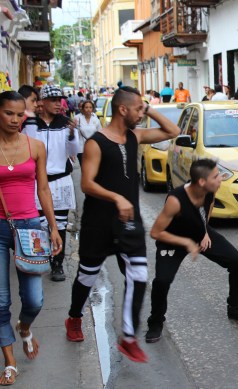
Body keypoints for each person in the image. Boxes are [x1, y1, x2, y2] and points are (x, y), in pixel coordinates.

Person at [64, 86, 180, 363]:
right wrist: (116, 197)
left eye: (143, 109)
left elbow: (172, 131)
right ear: (122, 110)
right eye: (138, 109)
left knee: (138, 275)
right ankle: (74, 317)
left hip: (129, 223)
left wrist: (149, 108)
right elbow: (87, 183)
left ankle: (128, 337)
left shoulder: (134, 136)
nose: (142, 114)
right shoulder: (96, 142)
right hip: (98, 223)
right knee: (87, 276)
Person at [145, 159, 238, 343]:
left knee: (236, 262)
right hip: (172, 239)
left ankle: (235, 306)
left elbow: (208, 207)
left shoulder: (211, 189)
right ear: (202, 182)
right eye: (216, 176)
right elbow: (156, 232)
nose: (220, 179)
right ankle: (155, 322)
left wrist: (204, 231)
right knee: (162, 281)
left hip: (198, 233)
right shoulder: (175, 200)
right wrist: (186, 242)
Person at [0, 91, 62, 385]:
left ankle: (24, 328)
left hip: (30, 227)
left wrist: (53, 227)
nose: (15, 119)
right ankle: (10, 362)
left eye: (19, 114)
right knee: (0, 301)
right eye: (8, 113)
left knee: (34, 300)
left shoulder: (35, 146)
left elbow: (44, 190)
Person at [22, 84, 80, 282]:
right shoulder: (30, 123)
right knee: (39, 223)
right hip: (37, 181)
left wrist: (72, 135)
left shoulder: (66, 123)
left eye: (59, 100)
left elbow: (73, 151)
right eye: (53, 100)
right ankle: (39, 260)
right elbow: (25, 145)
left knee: (60, 225)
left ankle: (58, 264)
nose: (58, 104)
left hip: (60, 180)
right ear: (42, 102)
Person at [74, 100, 102, 167]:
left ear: (92, 109)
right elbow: (75, 135)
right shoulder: (77, 119)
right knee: (84, 167)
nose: (88, 109)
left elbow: (100, 134)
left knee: (94, 167)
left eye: (90, 107)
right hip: (81, 149)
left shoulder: (96, 120)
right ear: (83, 109)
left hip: (93, 148)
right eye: (86, 107)